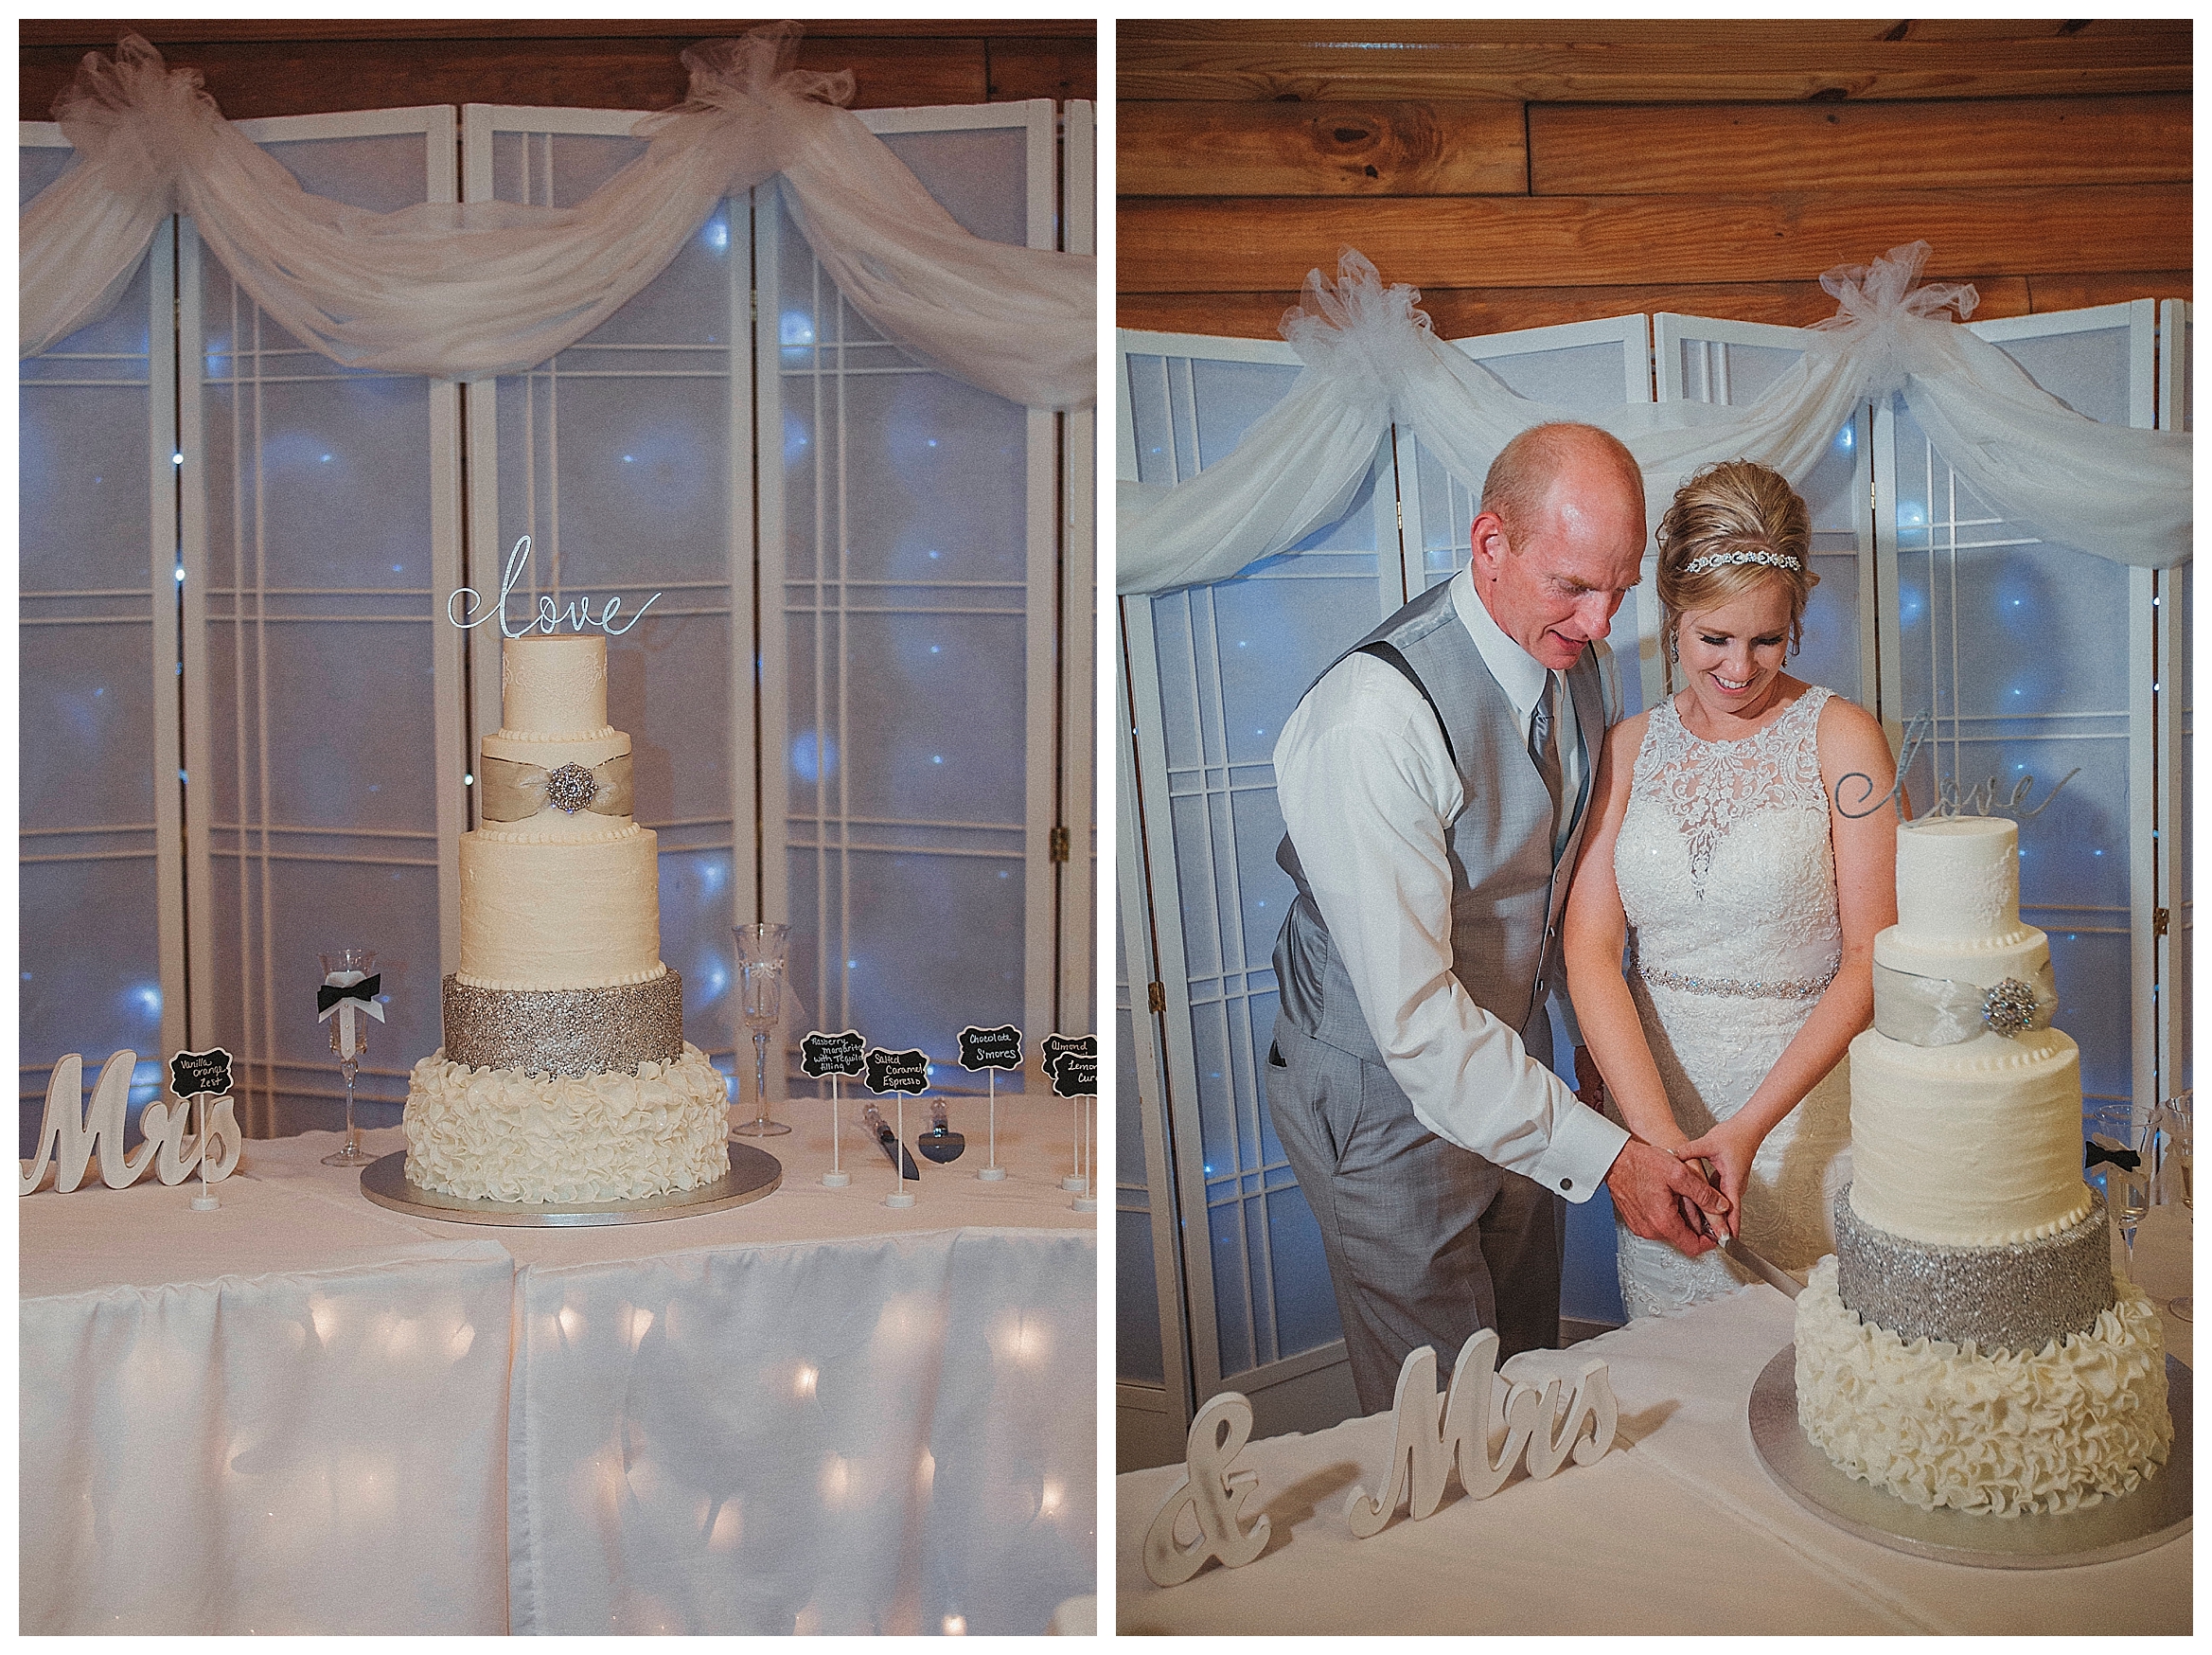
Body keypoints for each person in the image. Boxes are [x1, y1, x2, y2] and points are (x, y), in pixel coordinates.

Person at [1268, 420, 1729, 1414]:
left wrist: (1602, 1071)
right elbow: (1420, 1028)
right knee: (1448, 1419)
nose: (1603, 621)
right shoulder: (1370, 721)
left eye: (1622, 584)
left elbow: (1556, 888)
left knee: (1525, 1372)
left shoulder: (1577, 655)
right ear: (1489, 543)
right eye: (1573, 584)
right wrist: (1613, 1159)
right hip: (1381, 1089)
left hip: (1509, 1065)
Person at [1563, 459, 1897, 1320]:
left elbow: (1872, 955)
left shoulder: (1843, 738)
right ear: (1672, 618)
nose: (1740, 669)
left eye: (1767, 640)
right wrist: (1659, 1144)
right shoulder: (1628, 748)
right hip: (1658, 1103)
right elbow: (1591, 953)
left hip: (1802, 1118)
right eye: (1714, 638)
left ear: (1795, 625)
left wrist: (1747, 1129)